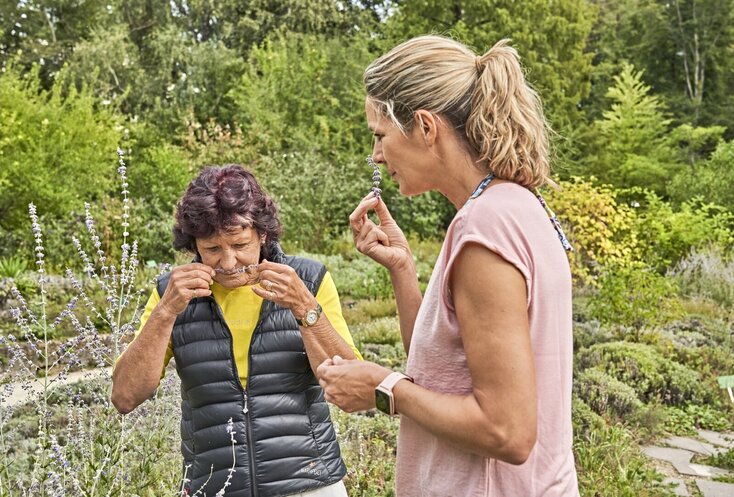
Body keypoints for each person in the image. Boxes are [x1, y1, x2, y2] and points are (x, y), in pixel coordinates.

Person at [316, 35, 579, 496]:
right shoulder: (511, 207)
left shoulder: (485, 227)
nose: (376, 156)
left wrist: (384, 389)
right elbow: (445, 371)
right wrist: (402, 269)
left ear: (424, 126)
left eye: (379, 135)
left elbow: (508, 433)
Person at [112, 165, 360, 497]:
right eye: (212, 249)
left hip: (310, 483)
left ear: (263, 234)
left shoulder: (308, 280)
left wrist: (304, 308)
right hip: (215, 487)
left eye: (240, 244)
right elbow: (125, 396)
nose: (228, 262)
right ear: (194, 245)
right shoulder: (171, 293)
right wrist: (165, 312)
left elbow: (353, 392)